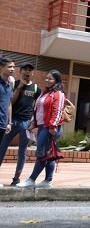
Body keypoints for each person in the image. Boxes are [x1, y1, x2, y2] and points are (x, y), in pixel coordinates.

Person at [17, 70, 66, 189]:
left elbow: (57, 111)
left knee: (41, 154)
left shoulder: (58, 93)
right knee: (49, 155)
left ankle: (31, 180)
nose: (47, 80)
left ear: (56, 81)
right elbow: (39, 110)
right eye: (47, 78)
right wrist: (34, 122)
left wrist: (53, 126)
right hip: (42, 126)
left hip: (50, 127)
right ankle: (48, 181)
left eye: (51, 79)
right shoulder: (45, 93)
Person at [0, 62, 41, 186]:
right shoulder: (13, 84)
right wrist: (19, 87)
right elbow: (10, 102)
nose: (27, 72)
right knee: (2, 147)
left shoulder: (36, 88)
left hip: (26, 123)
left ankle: (16, 178)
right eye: (25, 69)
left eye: (30, 70)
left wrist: (34, 123)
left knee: (22, 152)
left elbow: (38, 107)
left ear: (32, 73)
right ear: (20, 71)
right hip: (12, 121)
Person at [0, 58, 15, 187]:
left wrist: (9, 122)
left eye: (13, 67)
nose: (12, 69)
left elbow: (9, 104)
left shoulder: (9, 84)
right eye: (9, 67)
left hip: (3, 124)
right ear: (1, 67)